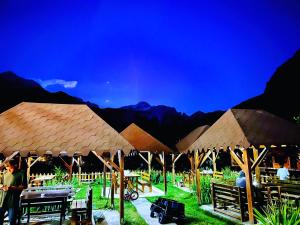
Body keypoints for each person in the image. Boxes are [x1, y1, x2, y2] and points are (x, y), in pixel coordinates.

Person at [0, 159, 27, 225]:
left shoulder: (21, 173)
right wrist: (1, 186)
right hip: (2, 200)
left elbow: (24, 186)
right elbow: (0, 183)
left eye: (10, 168)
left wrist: (11, 188)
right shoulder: (5, 173)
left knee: (12, 221)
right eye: (7, 168)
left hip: (13, 201)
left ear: (15, 165)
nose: (9, 170)